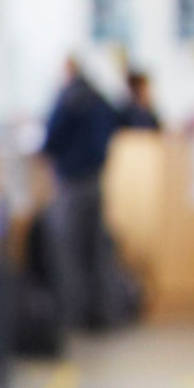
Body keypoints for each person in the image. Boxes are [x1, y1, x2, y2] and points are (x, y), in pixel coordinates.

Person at [40, 57, 121, 331]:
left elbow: (50, 140)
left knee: (68, 252)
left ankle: (72, 316)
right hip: (96, 182)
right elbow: (116, 124)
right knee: (98, 251)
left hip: (71, 184)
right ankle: (104, 313)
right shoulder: (100, 99)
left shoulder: (68, 100)